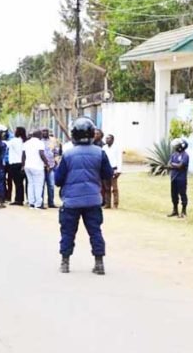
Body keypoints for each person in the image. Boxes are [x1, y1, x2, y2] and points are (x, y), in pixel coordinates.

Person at [55, 117, 113, 274]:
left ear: (73, 135)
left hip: (71, 201)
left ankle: (65, 263)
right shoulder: (100, 153)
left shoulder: (67, 155)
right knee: (95, 231)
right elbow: (108, 174)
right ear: (92, 134)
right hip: (93, 199)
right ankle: (99, 263)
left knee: (67, 232)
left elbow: (58, 180)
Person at [23, 130, 50, 209]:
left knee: (30, 184)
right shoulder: (40, 143)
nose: (42, 136)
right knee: (38, 185)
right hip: (37, 166)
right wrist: (47, 164)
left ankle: (31, 203)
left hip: (27, 166)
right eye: (41, 134)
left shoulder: (26, 143)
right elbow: (41, 154)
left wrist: (23, 165)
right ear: (39, 135)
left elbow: (23, 155)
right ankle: (38, 204)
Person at [168, 138, 189, 218]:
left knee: (182, 194)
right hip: (174, 178)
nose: (176, 148)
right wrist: (175, 165)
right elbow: (169, 164)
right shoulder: (174, 154)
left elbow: (181, 165)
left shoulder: (185, 155)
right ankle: (175, 210)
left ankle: (183, 211)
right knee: (174, 195)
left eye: (177, 146)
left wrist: (174, 165)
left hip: (181, 178)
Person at [102, 134, 123, 209]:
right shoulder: (104, 148)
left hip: (114, 169)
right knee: (107, 188)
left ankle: (115, 204)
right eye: (106, 139)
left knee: (114, 188)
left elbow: (119, 159)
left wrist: (118, 170)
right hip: (106, 170)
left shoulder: (117, 148)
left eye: (108, 139)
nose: (107, 140)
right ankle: (107, 204)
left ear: (112, 140)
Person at [6, 127, 26, 206]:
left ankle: (18, 200)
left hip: (14, 164)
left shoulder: (14, 141)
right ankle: (20, 199)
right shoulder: (24, 141)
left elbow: (5, 145)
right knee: (20, 183)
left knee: (17, 183)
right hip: (22, 163)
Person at [41, 128, 59, 209]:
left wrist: (56, 162)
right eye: (43, 131)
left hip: (51, 166)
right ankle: (40, 202)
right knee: (41, 185)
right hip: (41, 166)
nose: (45, 132)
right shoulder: (39, 141)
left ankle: (51, 202)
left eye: (46, 131)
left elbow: (56, 152)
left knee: (51, 185)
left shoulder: (52, 141)